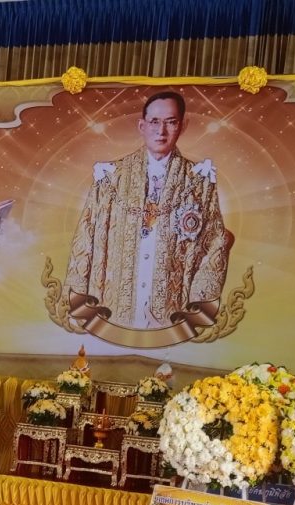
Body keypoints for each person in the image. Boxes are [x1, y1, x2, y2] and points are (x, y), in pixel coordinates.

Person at [64, 91, 231, 330]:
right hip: (115, 306)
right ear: (142, 126)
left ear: (182, 126)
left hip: (171, 310)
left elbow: (214, 242)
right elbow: (85, 236)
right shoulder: (111, 177)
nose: (161, 131)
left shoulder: (199, 181)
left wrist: (199, 306)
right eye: (154, 122)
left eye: (171, 122)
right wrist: (78, 300)